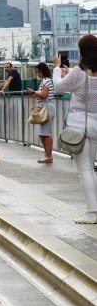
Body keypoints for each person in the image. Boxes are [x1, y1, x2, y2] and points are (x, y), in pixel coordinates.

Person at [52, 35, 97, 224]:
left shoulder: (80, 71)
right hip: (95, 125)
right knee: (91, 169)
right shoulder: (86, 72)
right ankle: (95, 209)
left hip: (79, 126)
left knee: (84, 169)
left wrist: (56, 67)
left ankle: (92, 213)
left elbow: (58, 87)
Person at [27, 62, 56, 164]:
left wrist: (34, 92)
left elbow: (44, 95)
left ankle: (49, 156)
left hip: (46, 108)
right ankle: (47, 154)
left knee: (46, 133)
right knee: (42, 133)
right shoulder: (46, 81)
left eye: (39, 72)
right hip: (46, 108)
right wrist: (34, 93)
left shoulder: (46, 81)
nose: (37, 74)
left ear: (43, 72)